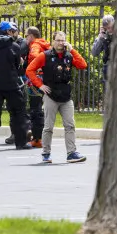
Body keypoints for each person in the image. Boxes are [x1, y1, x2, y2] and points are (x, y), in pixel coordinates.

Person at [26, 30, 88, 164]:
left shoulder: (69, 55)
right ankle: (46, 153)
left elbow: (83, 65)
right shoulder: (45, 55)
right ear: (53, 41)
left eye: (62, 40)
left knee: (70, 125)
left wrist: (73, 50)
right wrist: (40, 85)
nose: (60, 43)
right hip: (50, 95)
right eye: (58, 40)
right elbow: (29, 70)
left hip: (66, 96)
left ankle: (71, 153)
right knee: (48, 127)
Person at [0, 22, 29, 152]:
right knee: (18, 112)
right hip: (12, 84)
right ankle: (20, 142)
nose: (15, 34)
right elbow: (17, 66)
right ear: (8, 32)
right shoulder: (14, 46)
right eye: (13, 31)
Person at [22, 27, 50, 148]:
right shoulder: (46, 44)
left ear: (32, 36)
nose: (26, 38)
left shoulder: (35, 45)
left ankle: (37, 139)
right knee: (44, 109)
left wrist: (32, 66)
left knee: (35, 109)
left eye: (27, 36)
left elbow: (34, 55)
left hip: (36, 81)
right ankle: (42, 137)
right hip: (46, 80)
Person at [91, 14, 115, 88]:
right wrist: (100, 38)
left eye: (110, 27)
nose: (109, 30)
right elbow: (94, 53)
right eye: (106, 28)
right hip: (107, 67)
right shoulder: (103, 36)